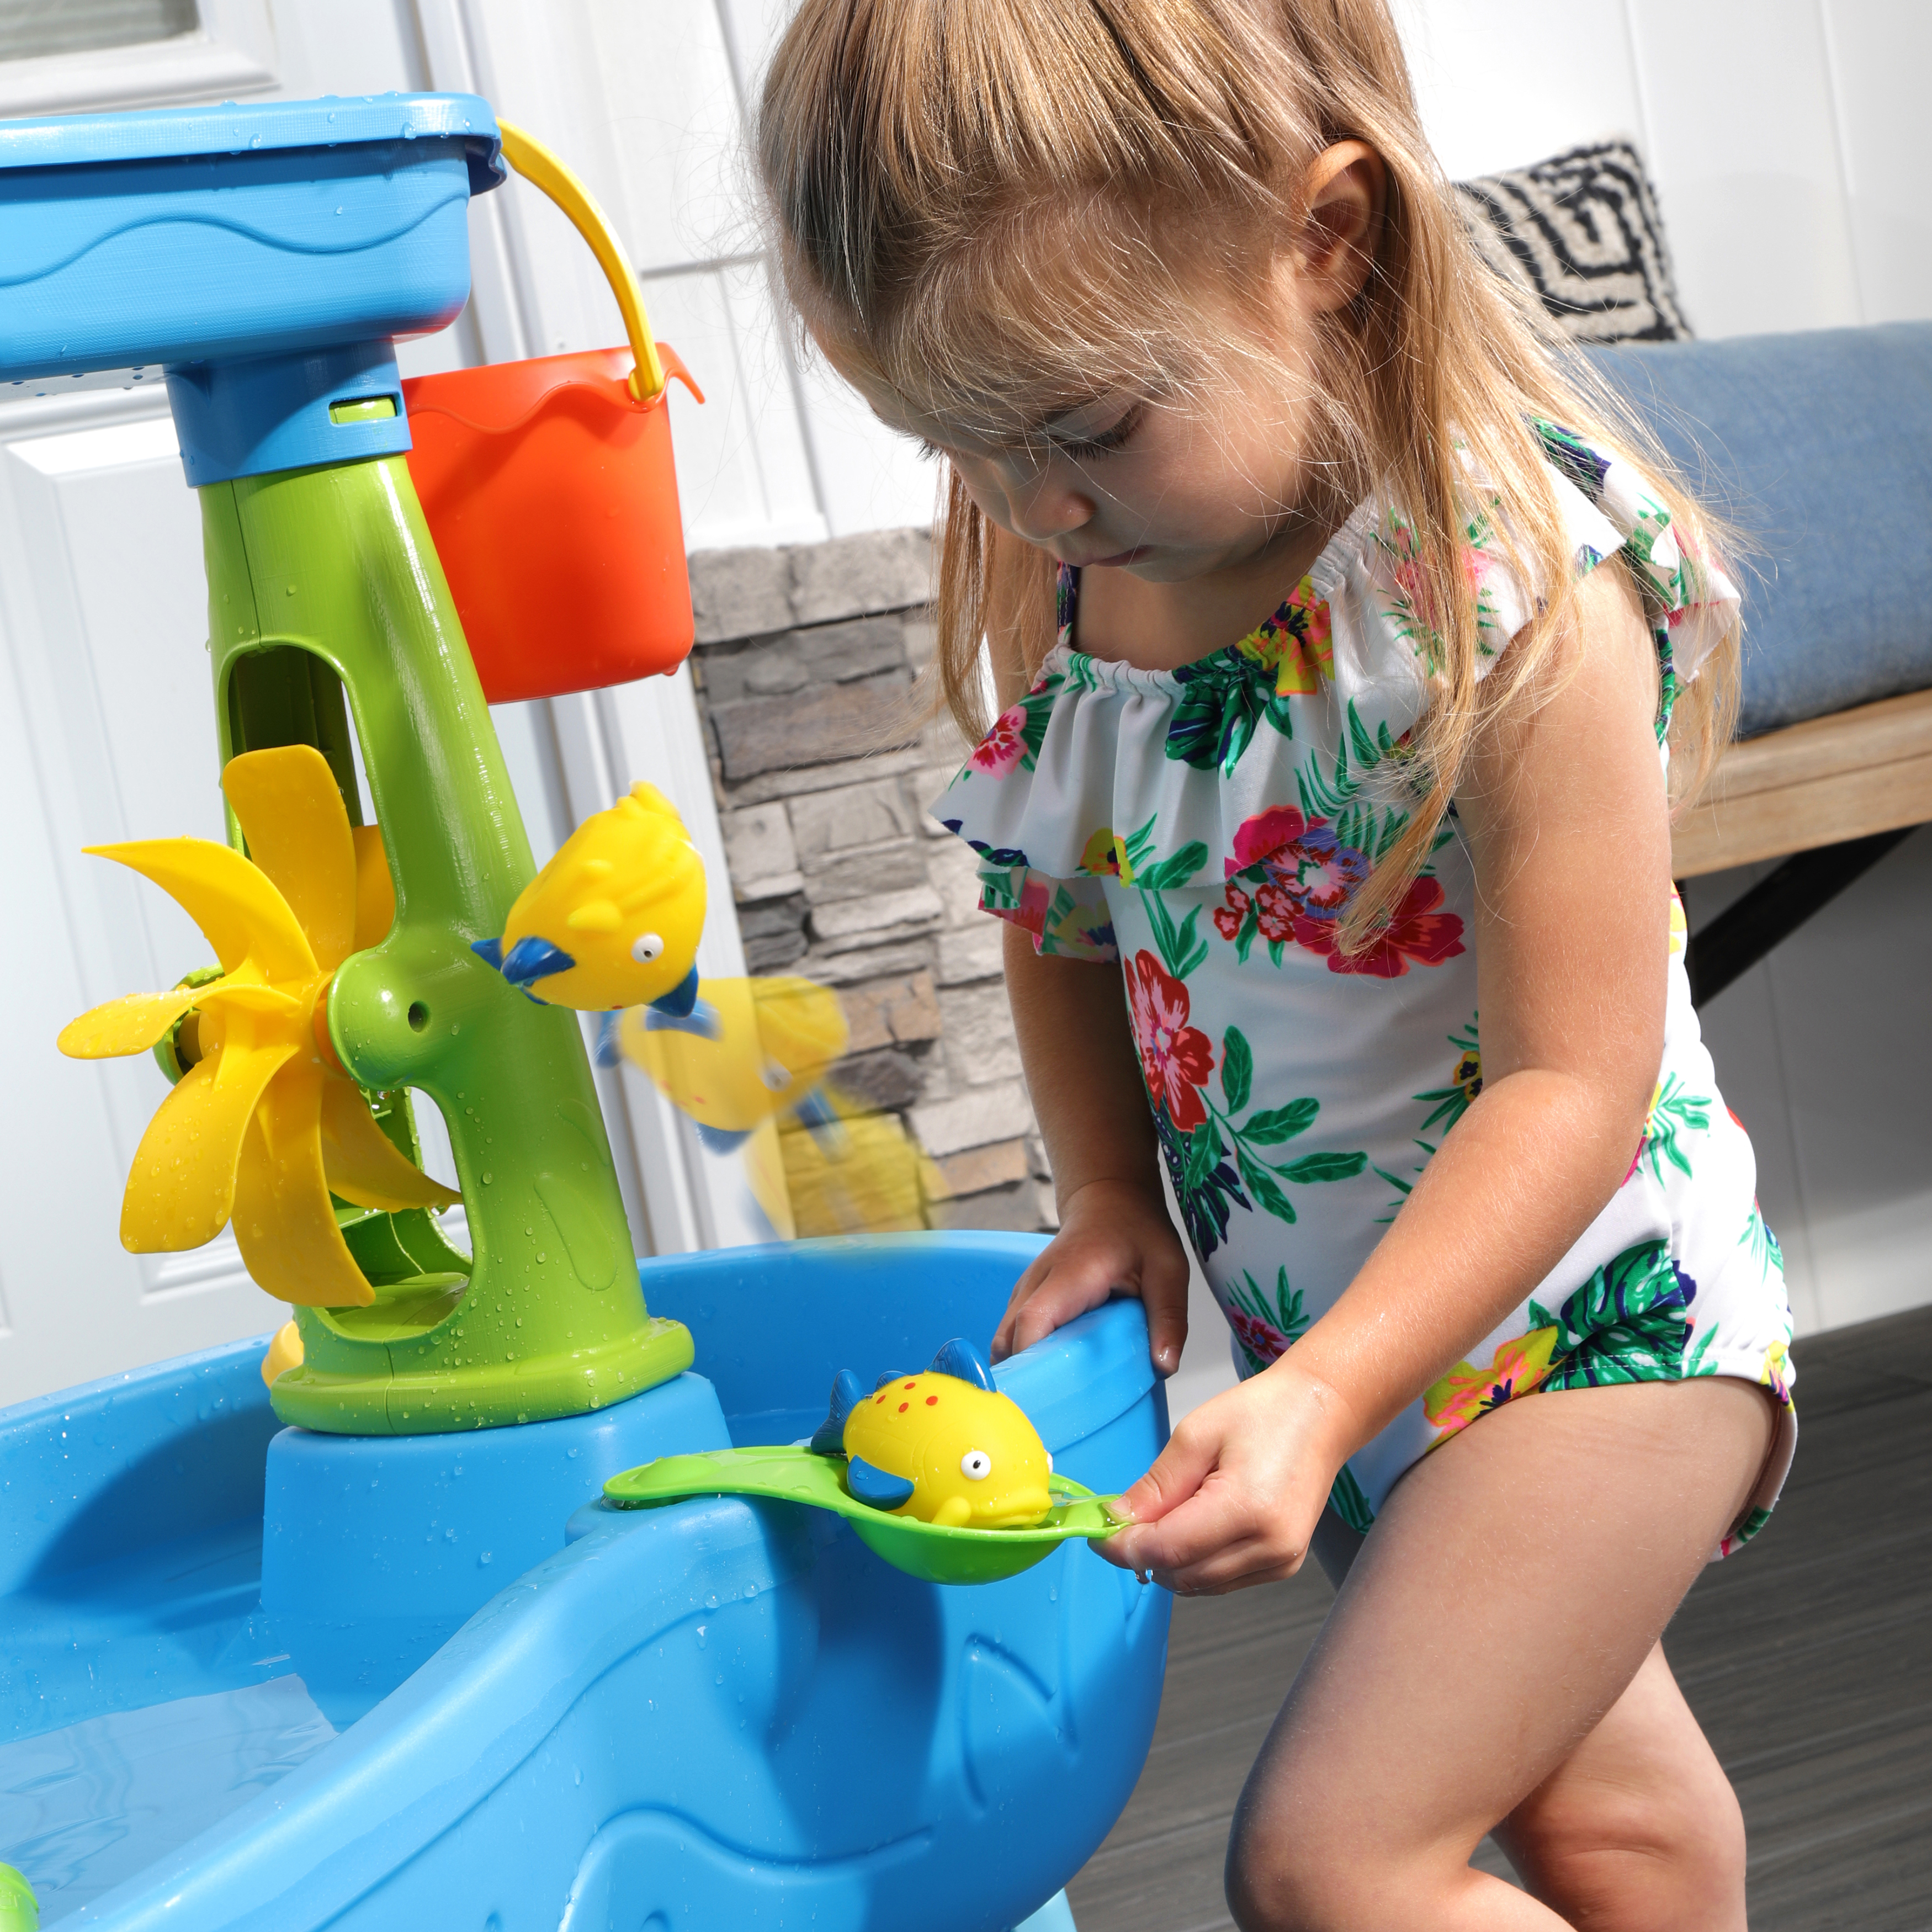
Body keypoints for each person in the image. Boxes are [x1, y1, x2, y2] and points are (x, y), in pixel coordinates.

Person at [755, 4, 1796, 1926]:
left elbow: (1579, 1080)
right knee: (1613, 1831)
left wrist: (1318, 1391)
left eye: (1080, 423)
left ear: (1322, 241)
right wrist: (1101, 1187)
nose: (1028, 499)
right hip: (1355, 1347)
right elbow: (1057, 900)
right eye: (961, 441)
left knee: (1335, 1864)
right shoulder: (1097, 556)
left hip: (1585, 1314)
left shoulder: (1506, 597)